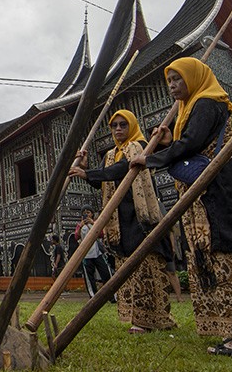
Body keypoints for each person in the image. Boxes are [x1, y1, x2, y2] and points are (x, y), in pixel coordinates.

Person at [130, 57, 232, 356]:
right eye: (169, 81)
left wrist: (152, 159)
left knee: (227, 258)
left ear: (194, 78)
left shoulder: (207, 102)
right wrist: (173, 140)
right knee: (219, 257)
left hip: (218, 191)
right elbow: (192, 140)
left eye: (177, 80)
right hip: (213, 192)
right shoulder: (197, 105)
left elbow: (194, 143)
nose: (172, 86)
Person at [70, 110, 177, 334]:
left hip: (139, 216)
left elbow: (122, 170)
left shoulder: (139, 146)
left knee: (144, 266)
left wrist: (89, 173)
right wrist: (89, 170)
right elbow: (104, 180)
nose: (118, 129)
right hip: (119, 219)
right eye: (114, 126)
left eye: (123, 125)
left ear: (132, 126)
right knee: (127, 268)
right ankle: (139, 317)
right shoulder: (111, 154)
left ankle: (151, 319)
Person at [75, 207, 112, 296]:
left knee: (105, 273)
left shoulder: (95, 223)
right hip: (86, 255)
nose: (86, 214)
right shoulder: (80, 225)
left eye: (88, 212)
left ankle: (110, 294)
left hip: (97, 253)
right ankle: (93, 295)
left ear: (92, 214)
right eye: (84, 213)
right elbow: (76, 237)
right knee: (90, 277)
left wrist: (93, 223)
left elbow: (101, 235)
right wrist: (81, 226)